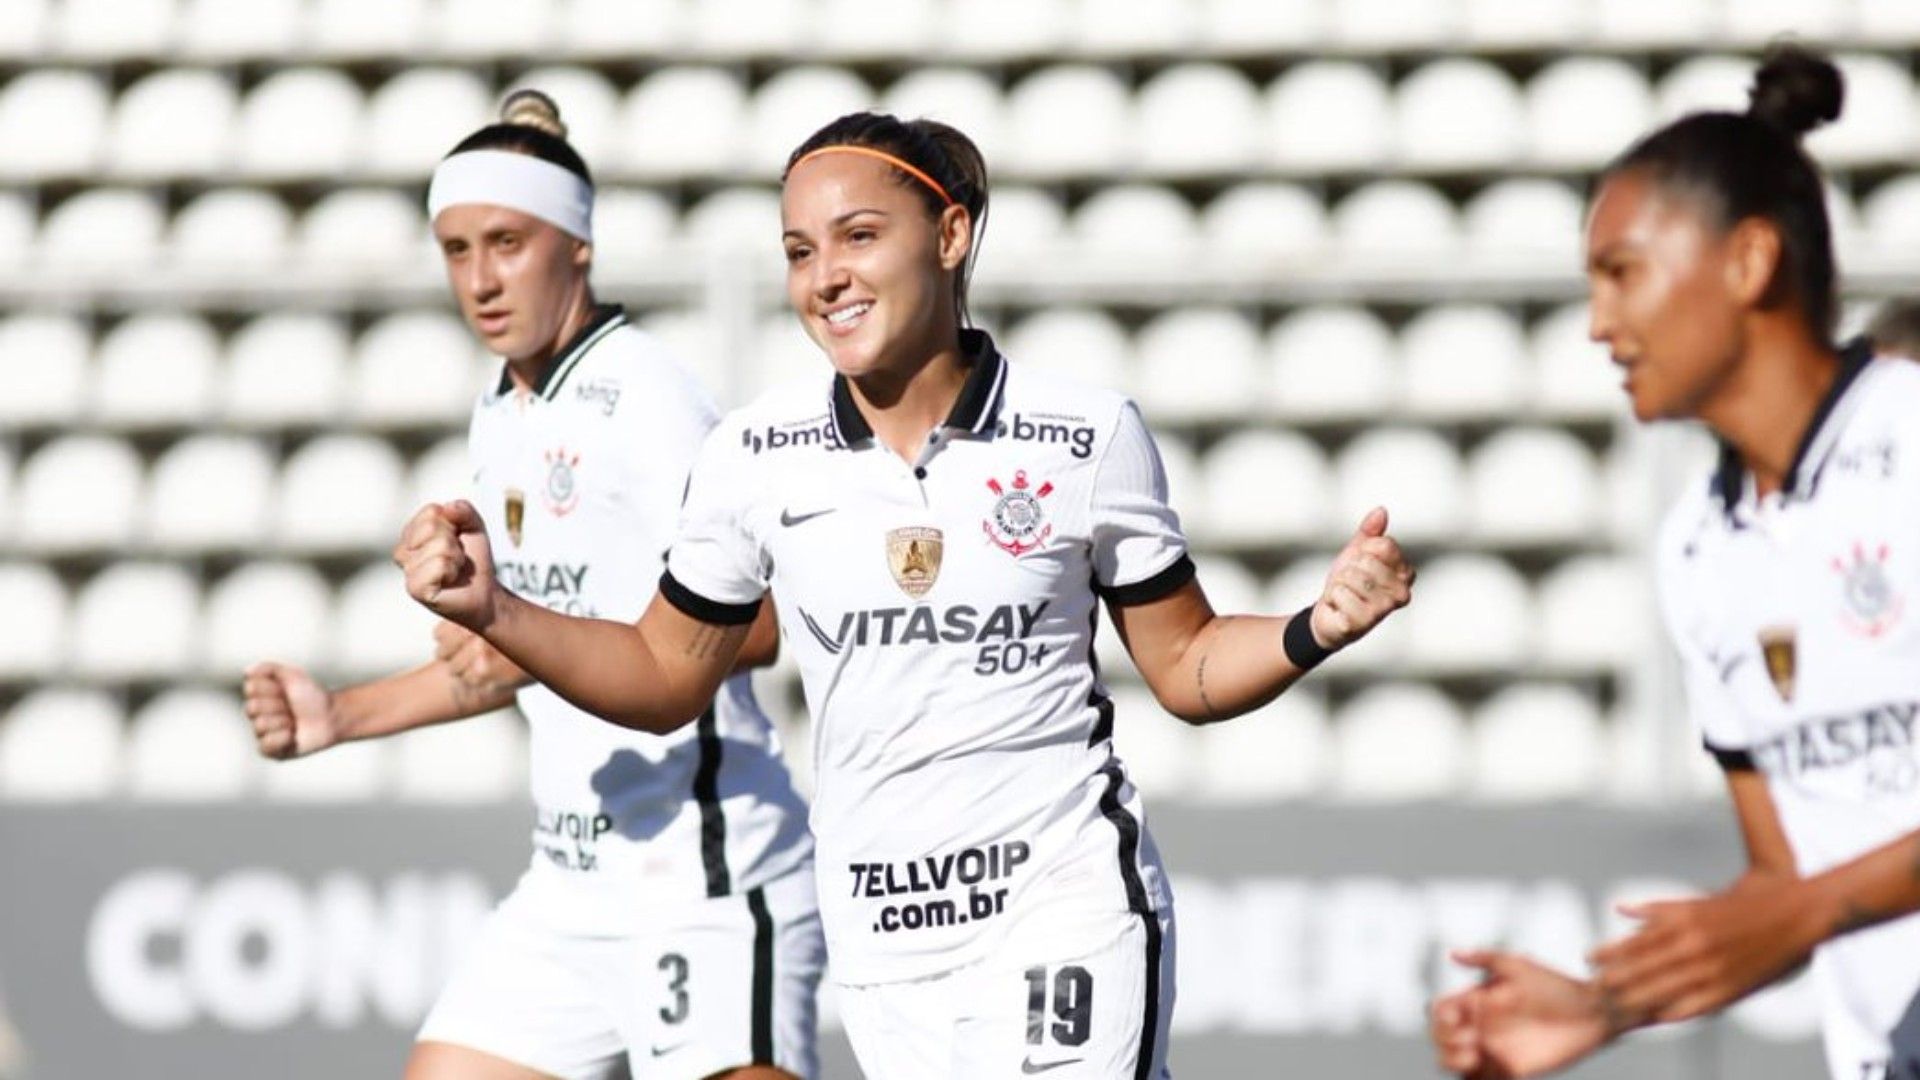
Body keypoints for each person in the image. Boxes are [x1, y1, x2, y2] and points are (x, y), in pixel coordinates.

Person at [391, 110, 1414, 1079]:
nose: (826, 276)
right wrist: (496, 611)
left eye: (858, 236)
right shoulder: (755, 454)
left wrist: (1310, 628)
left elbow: (1187, 665)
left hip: (1062, 908)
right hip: (884, 948)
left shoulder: (1085, 435)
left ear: (951, 236)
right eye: (799, 252)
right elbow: (663, 674)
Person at [242, 91, 822, 1080]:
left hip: (702, 875)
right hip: (571, 886)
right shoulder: (501, 413)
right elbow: (529, 654)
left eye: (507, 242)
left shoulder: (645, 395)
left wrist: (543, 625)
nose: (480, 279)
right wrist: (341, 715)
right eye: (457, 250)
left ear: (578, 244)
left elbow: (767, 614)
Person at [1429, 46, 1920, 1080]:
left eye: (1623, 274)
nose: (1600, 324)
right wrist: (1605, 1005)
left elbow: (1809, 901)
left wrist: (1812, 906)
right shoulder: (1700, 548)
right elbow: (1785, 885)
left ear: (1747, 263)